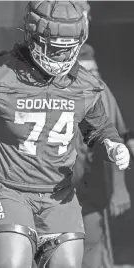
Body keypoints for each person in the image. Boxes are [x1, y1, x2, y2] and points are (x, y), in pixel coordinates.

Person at [0, 1, 130, 268]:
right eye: (54, 48)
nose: (61, 58)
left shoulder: (83, 83)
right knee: (11, 263)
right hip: (4, 187)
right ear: (33, 38)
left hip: (57, 195)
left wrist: (112, 143)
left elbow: (99, 125)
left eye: (68, 49)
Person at [72, 2, 133, 267]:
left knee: (91, 244)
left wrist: (118, 187)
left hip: (83, 179)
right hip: (39, 179)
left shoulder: (85, 59)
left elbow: (111, 131)